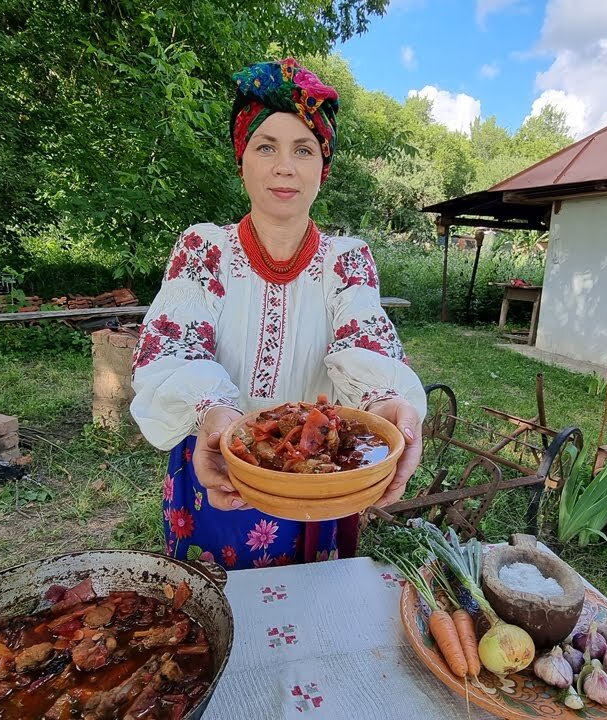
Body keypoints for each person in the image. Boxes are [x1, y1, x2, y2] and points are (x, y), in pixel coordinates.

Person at [129, 58, 426, 570]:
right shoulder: (205, 249)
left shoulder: (346, 261)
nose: (284, 166)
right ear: (242, 159)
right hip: (220, 457)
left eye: (303, 150)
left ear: (322, 170)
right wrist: (217, 415)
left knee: (307, 614)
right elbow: (176, 349)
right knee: (215, 611)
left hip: (322, 472)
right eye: (266, 146)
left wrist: (383, 403)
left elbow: (365, 342)